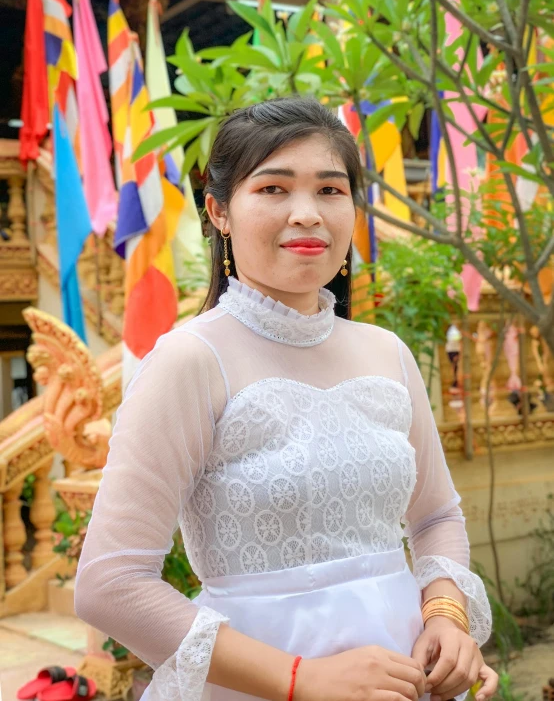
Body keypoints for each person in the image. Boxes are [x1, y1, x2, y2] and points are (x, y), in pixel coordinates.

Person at [74, 98, 498, 701]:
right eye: (273, 189)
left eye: (330, 190)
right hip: (259, 683)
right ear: (218, 211)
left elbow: (435, 517)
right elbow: (110, 583)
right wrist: (301, 680)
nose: (308, 214)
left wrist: (446, 615)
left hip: (405, 678)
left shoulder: (386, 353)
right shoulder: (189, 361)